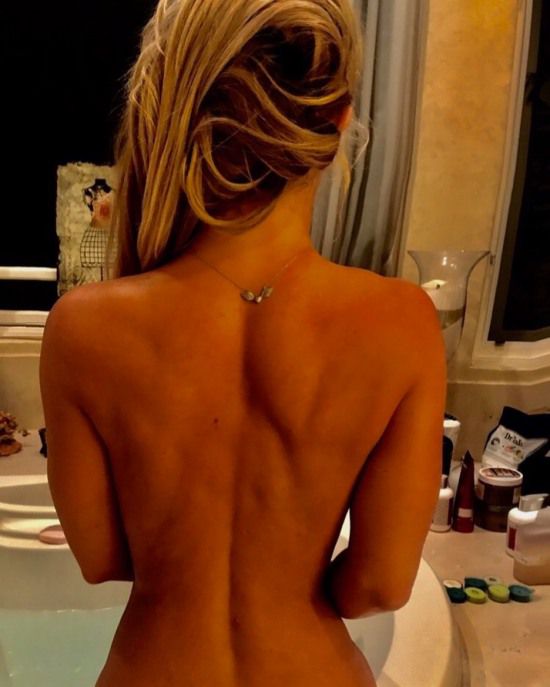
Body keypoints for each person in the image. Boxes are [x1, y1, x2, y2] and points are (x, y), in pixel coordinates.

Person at [39, 1, 447, 685]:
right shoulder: (402, 322)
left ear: (175, 116)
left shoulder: (82, 328)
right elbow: (377, 585)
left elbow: (102, 557)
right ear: (339, 120)